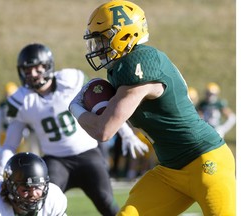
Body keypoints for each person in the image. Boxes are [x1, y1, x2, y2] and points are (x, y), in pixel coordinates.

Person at [69, 1, 236, 215]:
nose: (98, 47)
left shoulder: (139, 63)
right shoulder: (121, 69)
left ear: (124, 36)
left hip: (205, 160)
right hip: (170, 170)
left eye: (102, 39)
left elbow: (104, 130)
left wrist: (76, 108)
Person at [0, 43, 148, 216]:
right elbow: (10, 143)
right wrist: (2, 167)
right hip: (55, 161)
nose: (32, 75)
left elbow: (103, 107)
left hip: (88, 154)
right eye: (27, 71)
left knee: (106, 201)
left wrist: (126, 133)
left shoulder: (70, 80)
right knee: (41, 206)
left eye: (37, 69)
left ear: (48, 66)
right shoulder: (21, 100)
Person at [0, 152, 68, 216]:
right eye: (26, 189)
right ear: (10, 187)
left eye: (38, 187)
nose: (33, 193)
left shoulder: (53, 199)